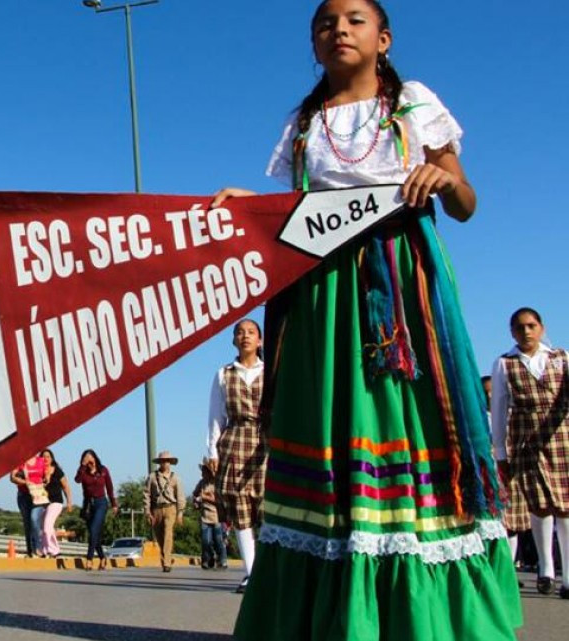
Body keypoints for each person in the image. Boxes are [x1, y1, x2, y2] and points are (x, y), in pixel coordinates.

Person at [212, 2, 522, 637]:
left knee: (404, 422)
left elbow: (466, 203)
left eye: (354, 19)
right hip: (321, 296)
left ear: (383, 38)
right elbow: (304, 208)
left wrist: (441, 177)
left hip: (401, 283)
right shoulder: (304, 123)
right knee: (326, 424)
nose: (339, 30)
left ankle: (423, 614)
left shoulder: (412, 105)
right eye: (325, 23)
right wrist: (258, 206)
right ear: (314, 44)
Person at [491, 308, 569, 599]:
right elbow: (499, 409)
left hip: (561, 437)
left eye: (531, 326)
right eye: (520, 327)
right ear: (512, 332)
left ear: (542, 328)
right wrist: (500, 451)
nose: (526, 332)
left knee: (565, 506)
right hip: (525, 442)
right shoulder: (504, 364)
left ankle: (567, 576)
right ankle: (546, 568)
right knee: (539, 505)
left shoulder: (561, 358)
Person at [206, 319, 265, 592]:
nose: (245, 337)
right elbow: (216, 416)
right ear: (233, 341)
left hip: (265, 440)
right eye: (240, 333)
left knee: (265, 508)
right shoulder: (223, 373)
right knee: (240, 508)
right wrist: (211, 451)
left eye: (251, 332)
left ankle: (269, 570)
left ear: (260, 340)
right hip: (234, 440)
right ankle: (251, 573)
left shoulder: (271, 371)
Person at [484, 374, 529, 589]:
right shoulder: (480, 416)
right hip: (488, 470)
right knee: (493, 520)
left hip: (509, 470)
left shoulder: (512, 415)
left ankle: (508, 568)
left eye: (492, 391)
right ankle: (494, 568)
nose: (489, 395)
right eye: (485, 392)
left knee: (511, 521)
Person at [144, 450, 186, 572]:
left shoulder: (175, 478)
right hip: (156, 509)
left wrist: (180, 512)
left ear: (170, 463)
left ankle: (166, 562)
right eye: (162, 461)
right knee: (160, 537)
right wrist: (147, 511)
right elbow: (146, 494)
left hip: (170, 508)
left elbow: (180, 496)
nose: (165, 463)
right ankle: (166, 558)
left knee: (168, 534)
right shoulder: (152, 477)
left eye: (167, 461)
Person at [75, 449, 117, 570]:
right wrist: (83, 466)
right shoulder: (83, 472)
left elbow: (109, 487)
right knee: (94, 534)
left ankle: (89, 559)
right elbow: (77, 480)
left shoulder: (103, 470)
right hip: (88, 505)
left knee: (94, 530)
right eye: (86, 458)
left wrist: (114, 503)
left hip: (101, 503)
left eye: (90, 457)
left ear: (95, 458)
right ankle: (102, 557)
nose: (89, 460)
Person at [192, 458, 227, 570]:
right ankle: (207, 559)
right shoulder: (201, 483)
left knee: (218, 541)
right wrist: (196, 502)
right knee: (205, 541)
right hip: (205, 517)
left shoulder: (217, 484)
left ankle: (222, 560)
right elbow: (194, 495)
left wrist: (205, 498)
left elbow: (220, 500)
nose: (202, 474)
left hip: (217, 517)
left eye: (204, 471)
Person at [11, 454, 49, 556]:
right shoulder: (19, 461)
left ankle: (38, 547)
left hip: (38, 495)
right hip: (24, 495)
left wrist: (46, 479)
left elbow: (47, 474)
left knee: (34, 518)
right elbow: (12, 477)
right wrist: (25, 482)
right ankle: (30, 551)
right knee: (27, 524)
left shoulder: (41, 461)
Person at [39, 449, 74, 558]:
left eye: (48, 456)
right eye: (43, 457)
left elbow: (66, 486)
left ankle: (54, 550)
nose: (46, 459)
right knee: (44, 528)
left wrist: (69, 502)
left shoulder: (57, 470)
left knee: (47, 526)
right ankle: (44, 551)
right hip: (42, 503)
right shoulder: (38, 472)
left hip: (56, 502)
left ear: (52, 458)